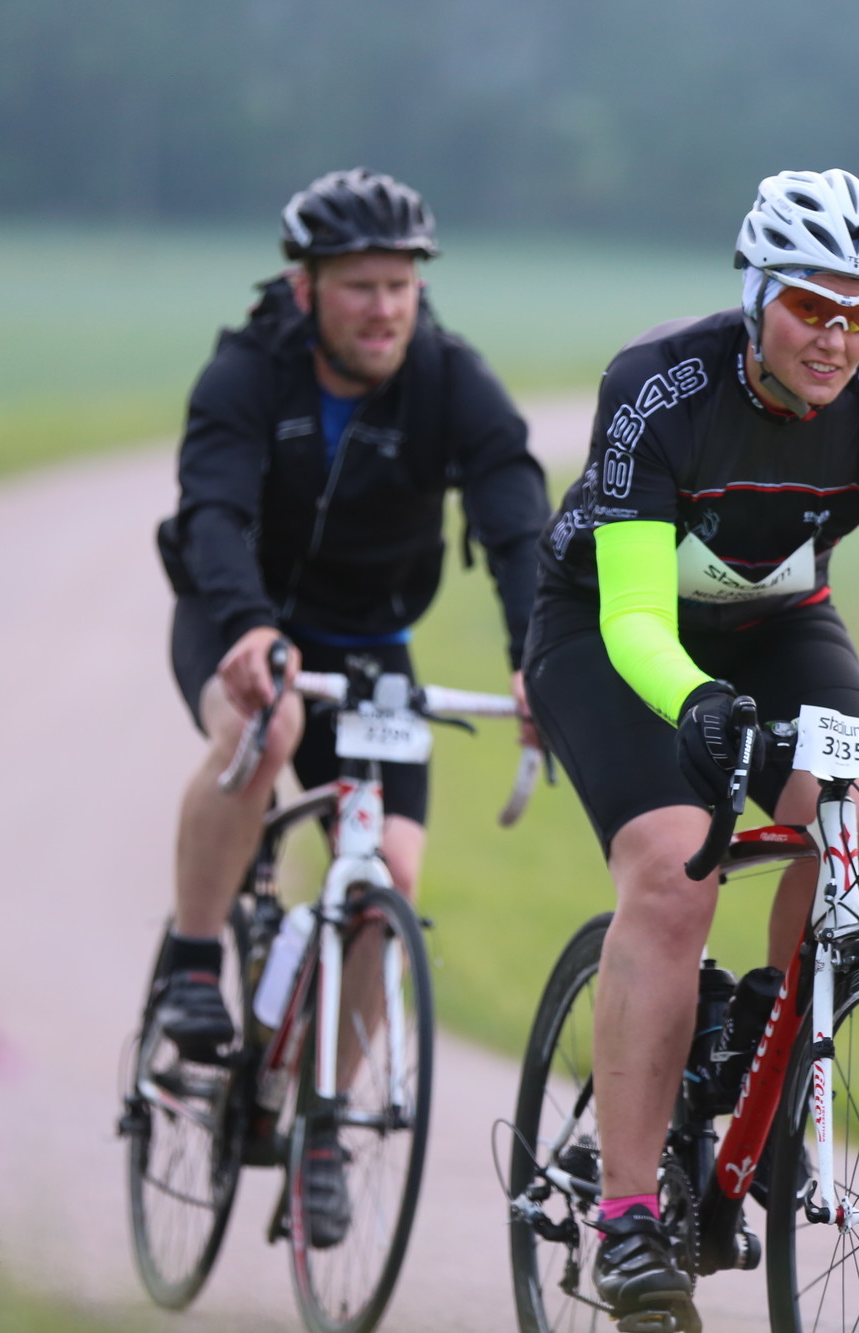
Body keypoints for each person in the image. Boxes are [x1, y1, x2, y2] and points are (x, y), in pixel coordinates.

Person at [522, 168, 859, 1325]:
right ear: (757, 293)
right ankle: (625, 1214)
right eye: (812, 307)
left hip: (777, 626)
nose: (836, 337)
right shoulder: (659, 388)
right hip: (611, 634)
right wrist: (694, 701)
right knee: (673, 874)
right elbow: (634, 614)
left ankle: (772, 1043)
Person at [151, 169, 548, 1241]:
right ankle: (195, 959)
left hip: (368, 639)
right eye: (360, 286)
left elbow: (514, 513)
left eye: (400, 286)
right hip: (238, 615)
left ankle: (322, 1122)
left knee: (392, 875)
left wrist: (535, 655)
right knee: (264, 724)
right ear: (306, 287)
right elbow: (212, 511)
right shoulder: (247, 372)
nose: (383, 309)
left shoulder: (448, 378)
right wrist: (246, 625)